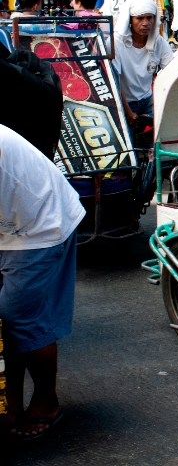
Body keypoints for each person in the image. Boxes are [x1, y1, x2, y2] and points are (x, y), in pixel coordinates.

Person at [0, 124, 85, 441]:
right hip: (9, 221)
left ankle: (46, 401)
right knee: (5, 321)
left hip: (39, 223)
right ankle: (9, 405)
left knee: (19, 317)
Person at [111, 0, 173, 124]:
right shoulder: (116, 42)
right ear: (130, 20)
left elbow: (172, 71)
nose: (145, 23)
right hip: (124, 101)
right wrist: (128, 112)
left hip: (147, 98)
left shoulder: (159, 42)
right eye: (140, 18)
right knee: (128, 141)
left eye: (149, 18)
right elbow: (114, 80)